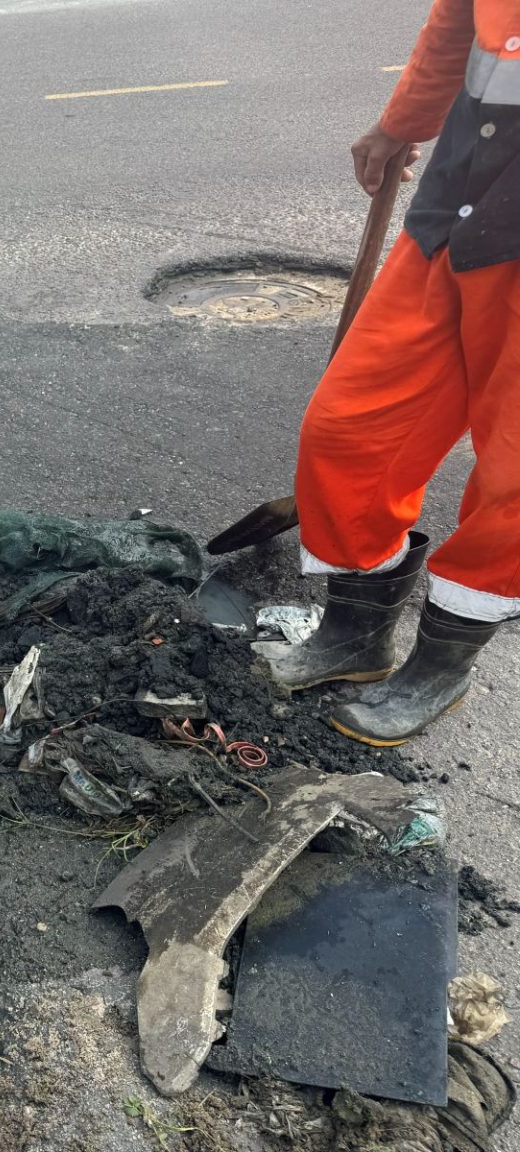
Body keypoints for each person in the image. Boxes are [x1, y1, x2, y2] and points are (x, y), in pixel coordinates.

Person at [254, 0, 519, 746]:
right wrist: (403, 122)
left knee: (514, 483)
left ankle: (441, 668)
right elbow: (456, 27)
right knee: (348, 429)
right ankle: (357, 639)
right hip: (458, 204)